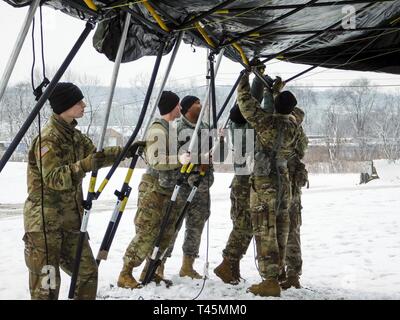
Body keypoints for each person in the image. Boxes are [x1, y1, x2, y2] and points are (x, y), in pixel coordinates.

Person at [23, 82, 130, 300]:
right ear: (65, 105)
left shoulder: (75, 136)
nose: (83, 105)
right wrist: (83, 166)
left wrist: (127, 150)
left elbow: (96, 156)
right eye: (78, 102)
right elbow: (53, 178)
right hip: (44, 226)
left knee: (88, 273)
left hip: (71, 223)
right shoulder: (48, 139)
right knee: (47, 288)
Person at [237, 71, 298, 297]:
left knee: (265, 230)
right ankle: (279, 272)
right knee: (281, 227)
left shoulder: (266, 123)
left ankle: (270, 281)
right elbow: (282, 111)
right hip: (284, 181)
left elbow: (245, 103)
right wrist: (275, 93)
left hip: (265, 181)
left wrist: (244, 78)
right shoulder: (294, 125)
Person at [117, 90, 186, 289]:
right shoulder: (158, 130)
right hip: (154, 189)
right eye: (178, 105)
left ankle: (151, 271)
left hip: (167, 188)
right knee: (147, 233)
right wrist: (178, 160)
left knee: (166, 234)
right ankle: (126, 273)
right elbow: (156, 161)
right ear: (172, 107)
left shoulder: (169, 129)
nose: (180, 108)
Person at [214, 73, 266, 285]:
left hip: (241, 182)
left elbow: (249, 102)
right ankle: (228, 263)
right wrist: (259, 80)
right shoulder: (247, 129)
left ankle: (231, 267)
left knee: (243, 225)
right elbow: (253, 101)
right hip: (245, 184)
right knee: (244, 226)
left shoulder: (237, 127)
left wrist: (257, 78)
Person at [163, 95, 214, 279]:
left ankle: (187, 266)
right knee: (172, 226)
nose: (200, 105)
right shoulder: (178, 128)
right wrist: (199, 158)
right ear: (186, 108)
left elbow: (214, 152)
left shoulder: (206, 127)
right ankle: (159, 264)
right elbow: (176, 156)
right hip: (182, 185)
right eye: (197, 103)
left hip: (202, 185)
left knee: (196, 226)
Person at [280, 106, 309, 289]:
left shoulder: (297, 135)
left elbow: (300, 149)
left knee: (291, 231)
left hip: (291, 189)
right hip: (278, 187)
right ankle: (280, 272)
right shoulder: (278, 129)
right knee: (278, 231)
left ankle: (292, 274)